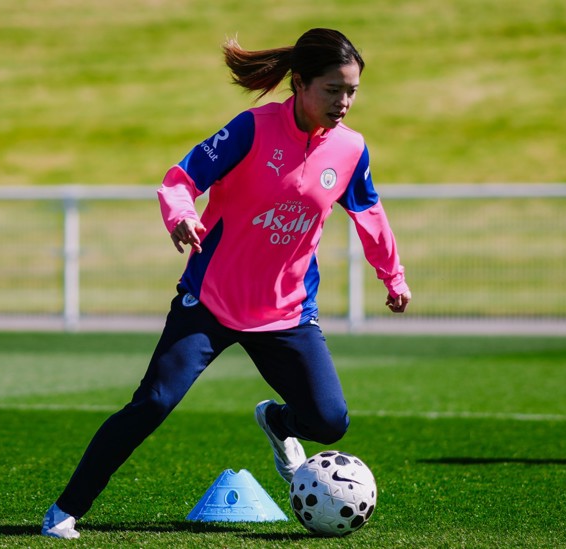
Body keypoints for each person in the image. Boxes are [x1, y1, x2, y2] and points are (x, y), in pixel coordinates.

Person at [42, 27, 411, 539]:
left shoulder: (350, 149)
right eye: (333, 90)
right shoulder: (252, 129)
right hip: (209, 304)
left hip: (286, 312)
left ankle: (279, 422)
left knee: (329, 422)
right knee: (152, 403)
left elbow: (368, 210)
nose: (344, 102)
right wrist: (180, 216)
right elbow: (181, 178)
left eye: (352, 91)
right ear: (299, 84)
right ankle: (64, 510)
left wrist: (392, 275)